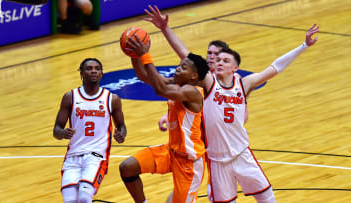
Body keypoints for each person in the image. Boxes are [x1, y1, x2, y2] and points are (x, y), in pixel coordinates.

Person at [143, 5, 319, 203]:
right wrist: (165, 29)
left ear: (235, 68)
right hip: (217, 161)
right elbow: (185, 54)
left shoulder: (244, 84)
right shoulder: (209, 83)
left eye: (225, 60)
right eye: (218, 59)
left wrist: (303, 46)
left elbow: (275, 67)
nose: (219, 62)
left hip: (242, 154)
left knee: (268, 199)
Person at [119, 34, 209, 203]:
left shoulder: (192, 92)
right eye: (178, 65)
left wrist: (146, 55)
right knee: (127, 168)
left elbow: (160, 90)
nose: (177, 69)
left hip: (189, 163)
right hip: (171, 152)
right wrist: (135, 55)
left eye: (183, 68)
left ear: (193, 76)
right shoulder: (175, 84)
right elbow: (144, 76)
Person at [53, 58, 127, 203]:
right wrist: (62, 133)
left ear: (101, 73)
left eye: (97, 68)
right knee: (69, 200)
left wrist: (121, 135)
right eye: (89, 68)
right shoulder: (70, 97)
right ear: (81, 73)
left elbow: (122, 126)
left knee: (84, 198)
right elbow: (56, 129)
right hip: (73, 156)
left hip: (96, 156)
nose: (94, 70)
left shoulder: (111, 99)